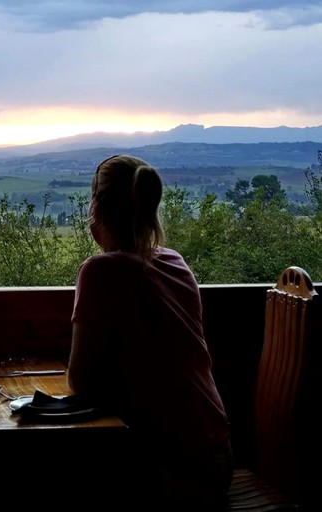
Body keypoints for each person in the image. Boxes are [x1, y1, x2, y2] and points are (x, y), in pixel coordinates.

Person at [67, 155, 233, 509]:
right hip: (217, 457)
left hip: (171, 470)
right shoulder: (174, 261)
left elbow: (80, 381)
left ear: (96, 209)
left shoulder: (100, 270)